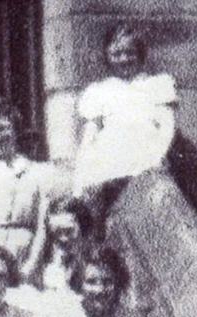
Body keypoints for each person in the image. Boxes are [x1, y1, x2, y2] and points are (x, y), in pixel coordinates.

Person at [74, 25, 177, 223]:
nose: (124, 59)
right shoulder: (99, 91)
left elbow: (167, 129)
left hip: (146, 164)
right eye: (117, 54)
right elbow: (89, 139)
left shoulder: (156, 85)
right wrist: (82, 179)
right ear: (107, 56)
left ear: (140, 54)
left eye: (130, 52)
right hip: (110, 169)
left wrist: (154, 160)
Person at [0, 99, 53, 282]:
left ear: (15, 127)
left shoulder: (36, 172)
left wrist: (31, 265)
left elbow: (42, 225)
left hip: (23, 256)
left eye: (2, 128)